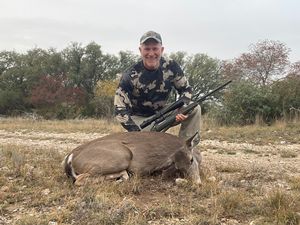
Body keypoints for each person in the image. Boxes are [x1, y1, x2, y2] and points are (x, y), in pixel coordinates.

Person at [114, 31, 201, 144]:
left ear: (162, 50)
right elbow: (120, 109)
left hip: (164, 113)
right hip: (140, 121)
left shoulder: (171, 66)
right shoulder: (130, 75)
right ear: (140, 50)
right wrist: (135, 132)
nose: (151, 53)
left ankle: (187, 148)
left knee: (194, 107)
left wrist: (181, 108)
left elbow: (186, 90)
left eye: (155, 49)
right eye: (147, 49)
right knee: (146, 147)